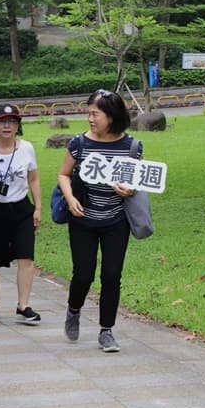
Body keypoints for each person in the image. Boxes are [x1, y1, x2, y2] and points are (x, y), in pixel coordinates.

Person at [57, 89, 141, 353]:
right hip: (83, 218)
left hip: (116, 219)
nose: (90, 118)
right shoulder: (79, 143)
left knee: (112, 275)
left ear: (112, 115)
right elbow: (63, 174)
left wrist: (130, 190)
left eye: (95, 114)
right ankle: (74, 309)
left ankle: (106, 331)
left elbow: (136, 181)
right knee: (83, 274)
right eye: (89, 113)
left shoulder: (132, 146)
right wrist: (70, 198)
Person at [0, 104, 42, 325]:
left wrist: (38, 207)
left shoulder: (27, 148)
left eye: (11, 121)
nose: (6, 125)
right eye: (2, 121)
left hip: (21, 208)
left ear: (17, 125)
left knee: (26, 256)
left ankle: (23, 305)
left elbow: (33, 179)